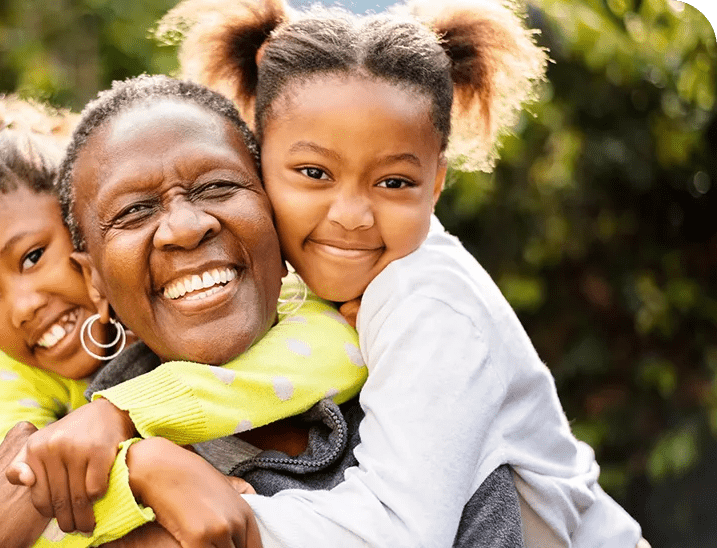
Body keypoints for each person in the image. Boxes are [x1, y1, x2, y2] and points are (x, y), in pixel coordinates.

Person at [157, 0, 648, 545]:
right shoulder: (287, 281)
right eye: (314, 173)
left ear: (436, 183)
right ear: (255, 155)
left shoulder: (429, 303)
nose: (350, 215)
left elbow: (397, 532)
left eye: (393, 183)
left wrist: (229, 509)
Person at [0, 96, 368, 547]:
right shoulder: (11, 372)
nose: (22, 306)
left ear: (83, 236)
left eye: (33, 257)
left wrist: (124, 414)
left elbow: (338, 348)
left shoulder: (266, 290)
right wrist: (141, 474)